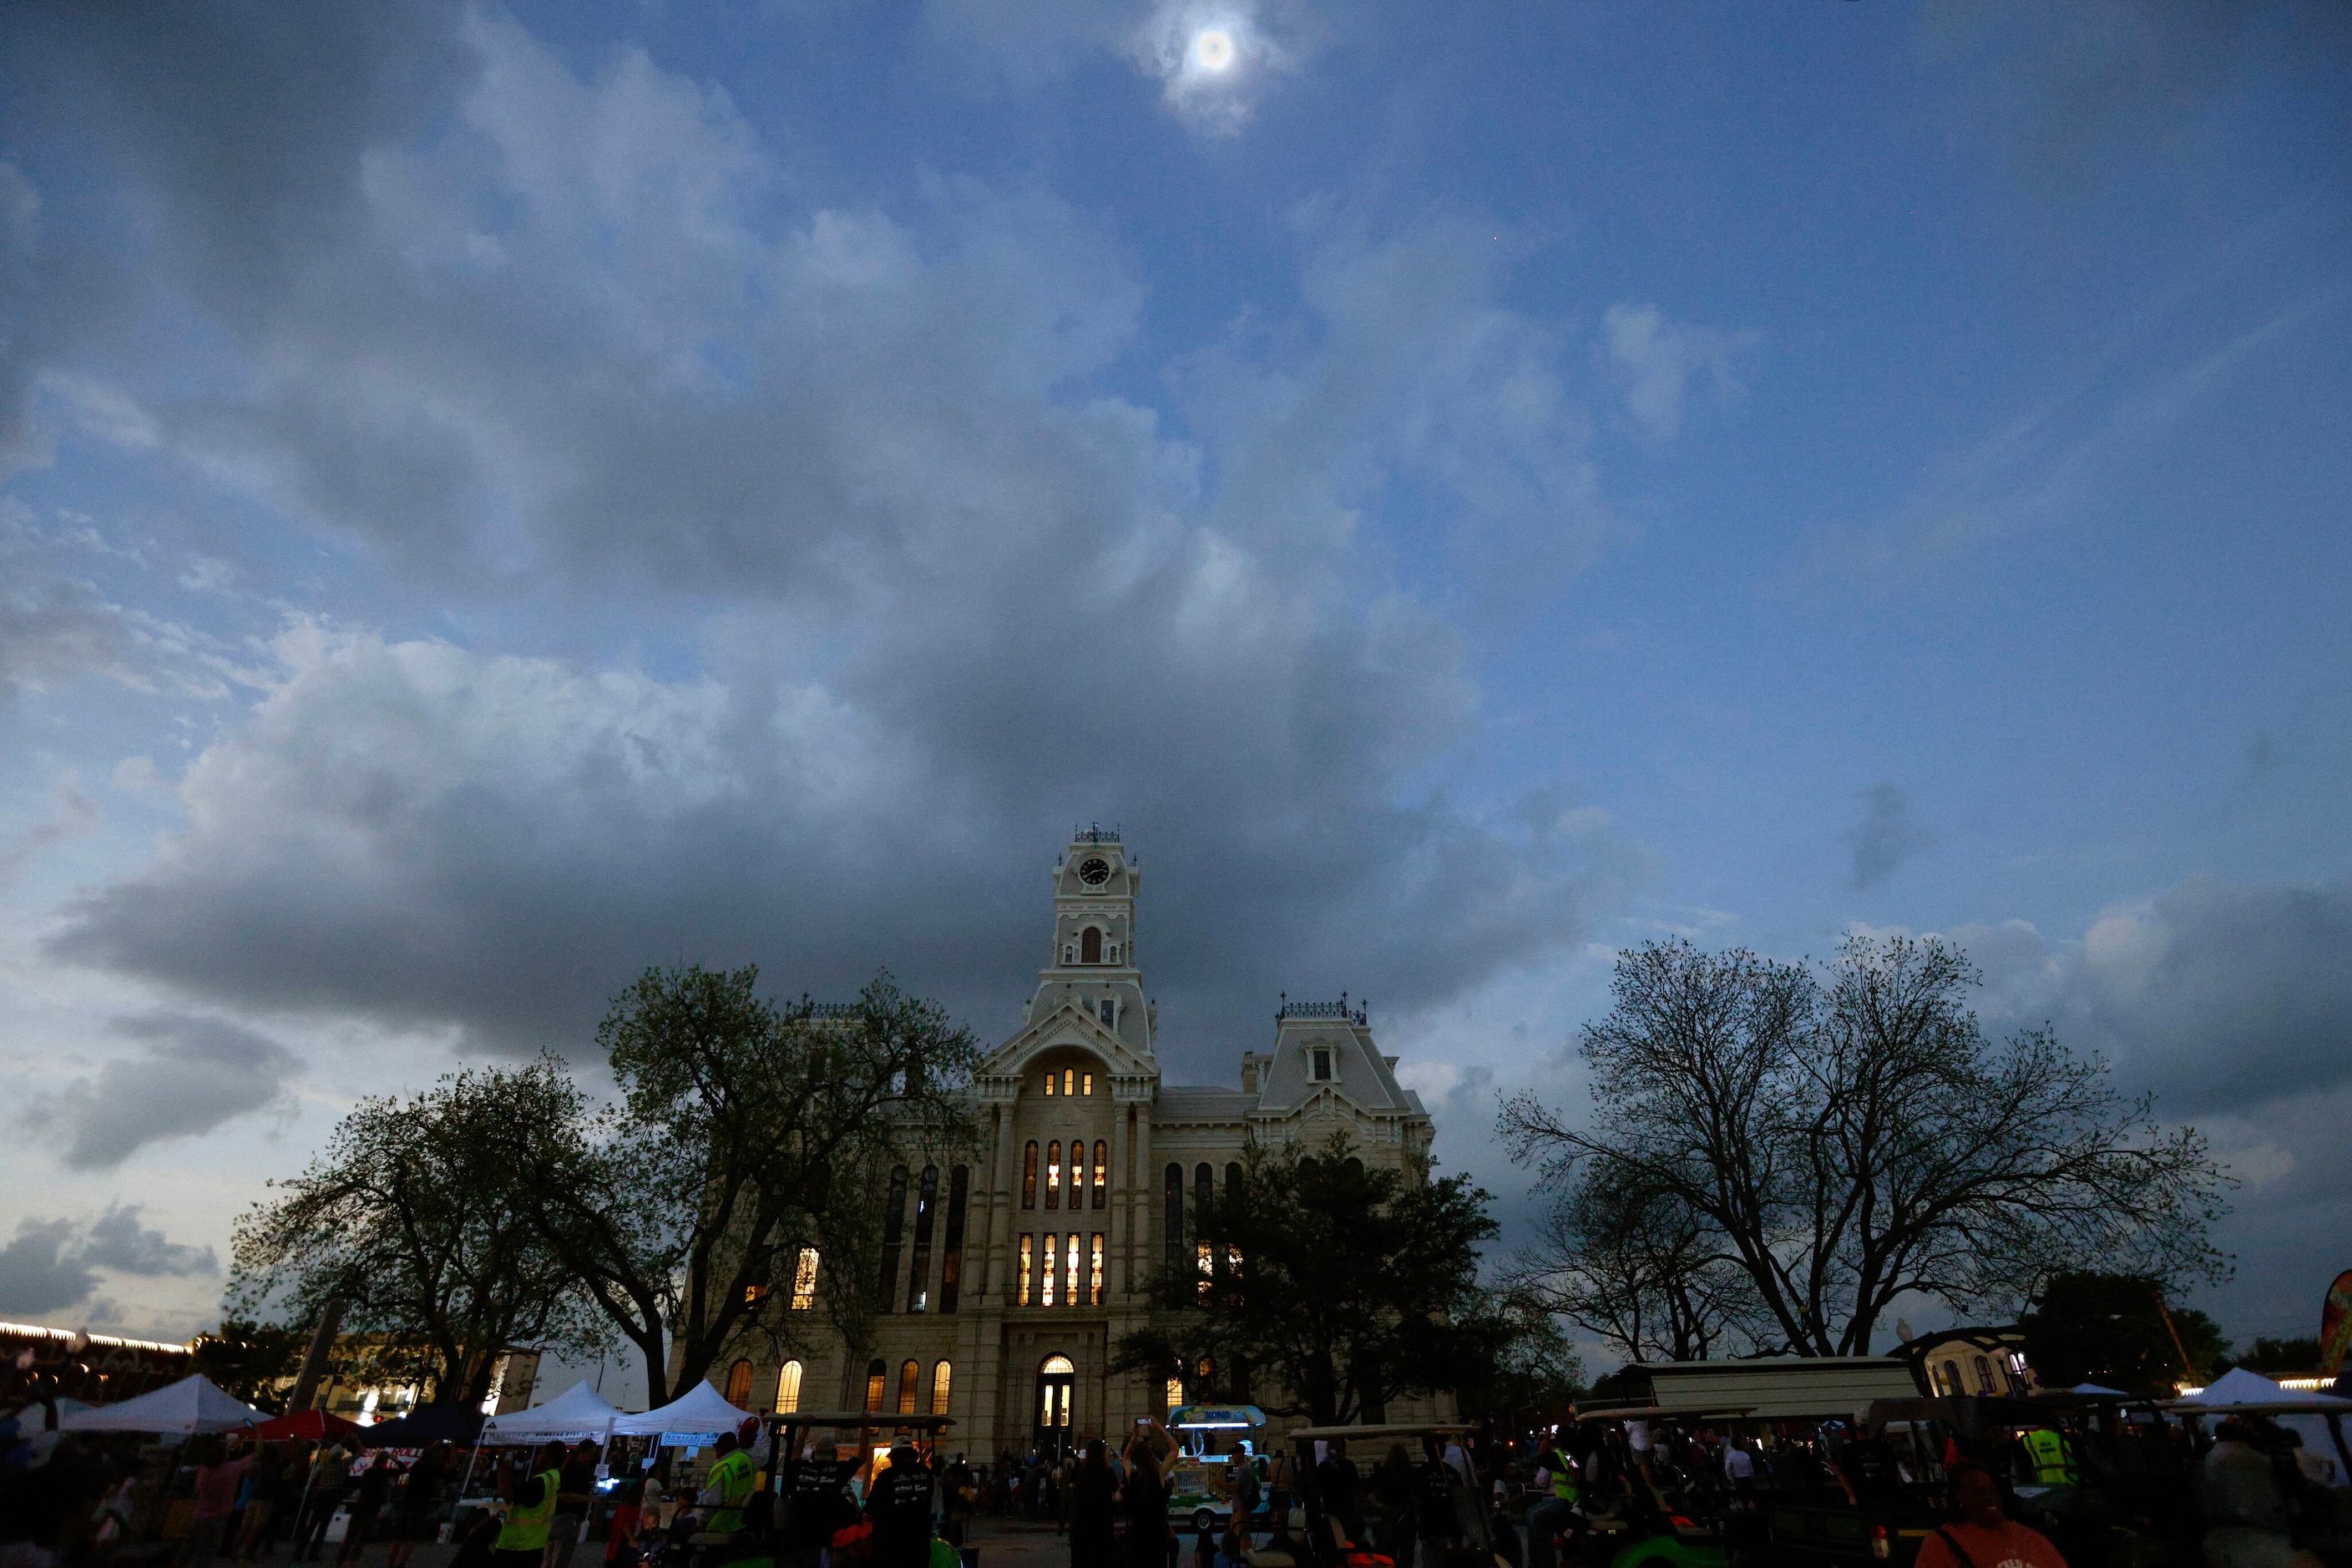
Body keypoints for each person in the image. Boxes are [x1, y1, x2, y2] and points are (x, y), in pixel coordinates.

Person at [1912, 1464, 2064, 1568]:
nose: (1990, 1497)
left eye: (1992, 1490)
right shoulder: (1941, 1547)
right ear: (1960, 1498)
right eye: (1979, 1491)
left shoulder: (2029, 1538)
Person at [496, 1443, 573, 1568]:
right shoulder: (554, 1477)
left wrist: (503, 1469)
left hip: (518, 1544)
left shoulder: (541, 1481)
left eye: (541, 1454)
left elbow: (509, 1496)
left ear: (548, 1457)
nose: (537, 1458)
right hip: (535, 1543)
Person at [865, 1439, 936, 1568]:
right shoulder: (927, 1474)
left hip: (889, 1545)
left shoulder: (885, 1477)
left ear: (894, 1456)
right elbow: (936, 1507)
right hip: (919, 1543)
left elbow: (870, 1511)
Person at [1120, 1422, 1176, 1568]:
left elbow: (1125, 1457)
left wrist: (1135, 1435)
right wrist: (1159, 1427)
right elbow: (1175, 1449)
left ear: (1136, 1460)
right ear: (1151, 1456)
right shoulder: (1159, 1475)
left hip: (1137, 1536)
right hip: (1156, 1536)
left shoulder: (1132, 1475)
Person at [386, 1442, 448, 1568]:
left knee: (398, 1536)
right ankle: (401, 1563)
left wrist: (398, 1461)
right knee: (411, 1538)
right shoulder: (432, 1470)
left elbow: (406, 1470)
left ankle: (390, 1563)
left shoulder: (416, 1466)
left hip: (408, 1504)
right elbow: (450, 1466)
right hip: (420, 1506)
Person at [549, 1442, 603, 1568]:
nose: (592, 1457)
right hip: (566, 1517)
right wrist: (588, 1498)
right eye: (591, 1454)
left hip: (568, 1516)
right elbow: (563, 1495)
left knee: (554, 1556)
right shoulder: (572, 1468)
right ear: (583, 1452)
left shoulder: (583, 1468)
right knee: (559, 1556)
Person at [338, 1450, 397, 1567]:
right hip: (372, 1507)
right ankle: (351, 1560)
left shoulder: (367, 1472)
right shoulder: (383, 1474)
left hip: (361, 1504)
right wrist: (395, 1460)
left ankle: (340, 1560)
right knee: (361, 1535)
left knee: (350, 1534)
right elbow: (402, 1470)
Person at [1070, 1441, 1118, 1568]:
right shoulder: (1105, 1475)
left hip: (1081, 1530)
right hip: (1101, 1531)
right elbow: (1117, 1486)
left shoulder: (1083, 1474)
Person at [1371, 1445, 1418, 1568]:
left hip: (1388, 1515)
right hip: (1406, 1515)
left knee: (1387, 1554)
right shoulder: (1410, 1472)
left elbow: (1367, 1489)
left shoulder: (1383, 1471)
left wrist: (1377, 1505)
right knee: (1406, 1555)